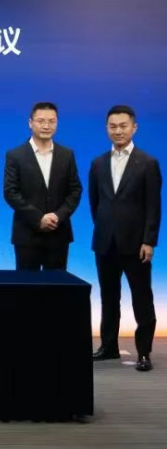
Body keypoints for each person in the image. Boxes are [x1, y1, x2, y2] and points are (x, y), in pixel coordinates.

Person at [90, 105, 162, 372]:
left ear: (134, 128)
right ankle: (108, 347)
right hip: (105, 242)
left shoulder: (148, 163)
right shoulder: (98, 163)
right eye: (113, 126)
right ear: (107, 129)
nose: (118, 131)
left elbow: (153, 206)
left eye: (123, 126)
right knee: (108, 298)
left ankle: (144, 352)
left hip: (136, 244)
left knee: (142, 298)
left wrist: (149, 241)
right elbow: (95, 203)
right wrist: (104, 229)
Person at [3, 102, 82, 270]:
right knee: (27, 284)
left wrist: (58, 216)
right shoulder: (15, 155)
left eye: (52, 121)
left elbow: (75, 190)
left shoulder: (66, 154)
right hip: (27, 233)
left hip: (58, 232)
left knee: (56, 285)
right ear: (30, 123)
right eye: (41, 121)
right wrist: (38, 218)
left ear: (57, 123)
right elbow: (10, 192)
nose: (46, 126)